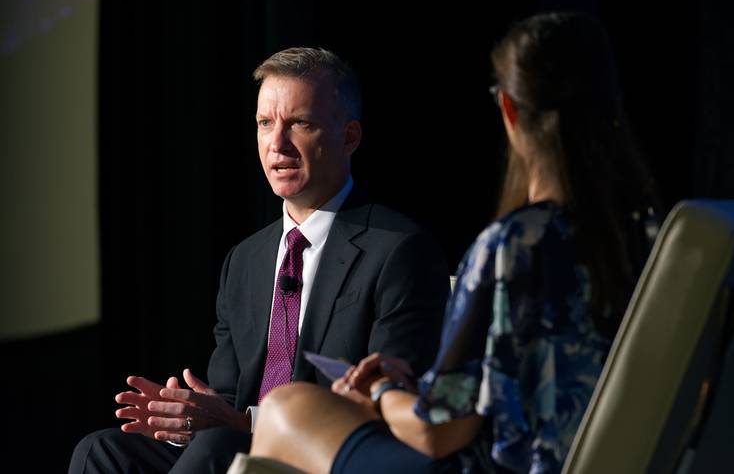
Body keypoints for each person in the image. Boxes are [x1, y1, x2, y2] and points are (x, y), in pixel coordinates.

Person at [235, 12, 661, 474]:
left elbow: (438, 429)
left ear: (510, 112)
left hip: (491, 465)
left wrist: (379, 390)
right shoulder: (647, 237)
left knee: (287, 409)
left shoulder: (514, 244)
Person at [69, 48, 451, 473]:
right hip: (236, 449)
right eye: (265, 123)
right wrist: (187, 415)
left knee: (217, 450)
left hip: (328, 457)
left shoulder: (398, 249)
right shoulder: (245, 261)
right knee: (101, 451)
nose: (277, 144)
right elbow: (230, 399)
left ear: (349, 137)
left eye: (300, 123)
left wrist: (240, 422)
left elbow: (387, 402)